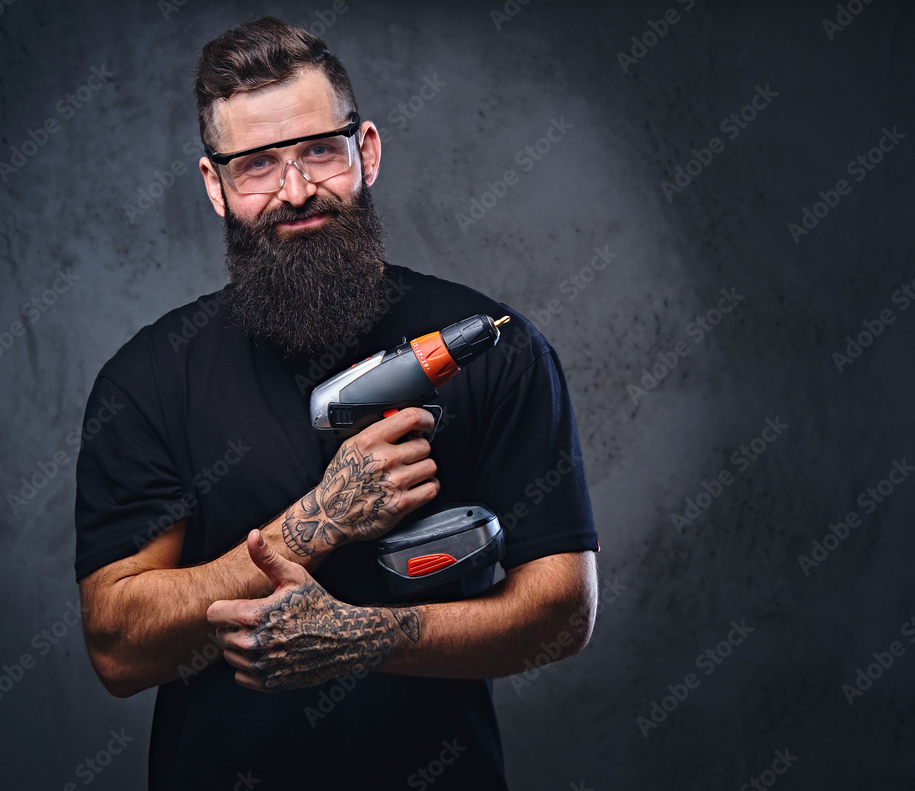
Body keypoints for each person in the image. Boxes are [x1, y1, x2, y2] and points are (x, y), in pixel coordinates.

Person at [74, 16, 599, 791]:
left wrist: (366, 639)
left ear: (368, 152)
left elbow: (563, 614)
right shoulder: (149, 380)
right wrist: (320, 519)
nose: (295, 191)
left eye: (320, 150)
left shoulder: (495, 350)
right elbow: (119, 649)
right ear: (215, 186)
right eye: (255, 165)